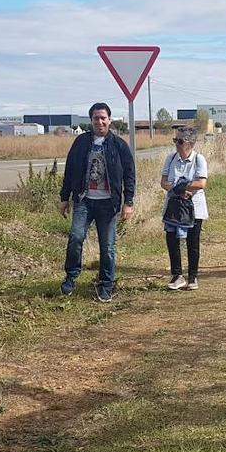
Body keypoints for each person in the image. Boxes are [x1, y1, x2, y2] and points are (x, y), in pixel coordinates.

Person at [59, 102, 136, 302]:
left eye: (103, 118)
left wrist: (129, 202)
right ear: (91, 120)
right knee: (76, 238)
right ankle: (71, 276)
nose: (100, 121)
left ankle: (106, 284)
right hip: (84, 200)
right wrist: (64, 198)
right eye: (96, 118)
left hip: (108, 204)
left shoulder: (119, 145)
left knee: (107, 247)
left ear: (110, 120)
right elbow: (70, 170)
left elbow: (129, 175)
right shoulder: (81, 142)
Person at [160, 126, 208, 291]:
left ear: (191, 143)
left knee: (192, 242)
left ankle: (193, 277)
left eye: (180, 141)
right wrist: (178, 189)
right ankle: (177, 275)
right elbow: (164, 182)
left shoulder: (199, 160)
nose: (177, 144)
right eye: (175, 140)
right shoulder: (170, 158)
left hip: (194, 208)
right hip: (173, 207)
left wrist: (182, 186)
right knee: (171, 240)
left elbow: (201, 183)